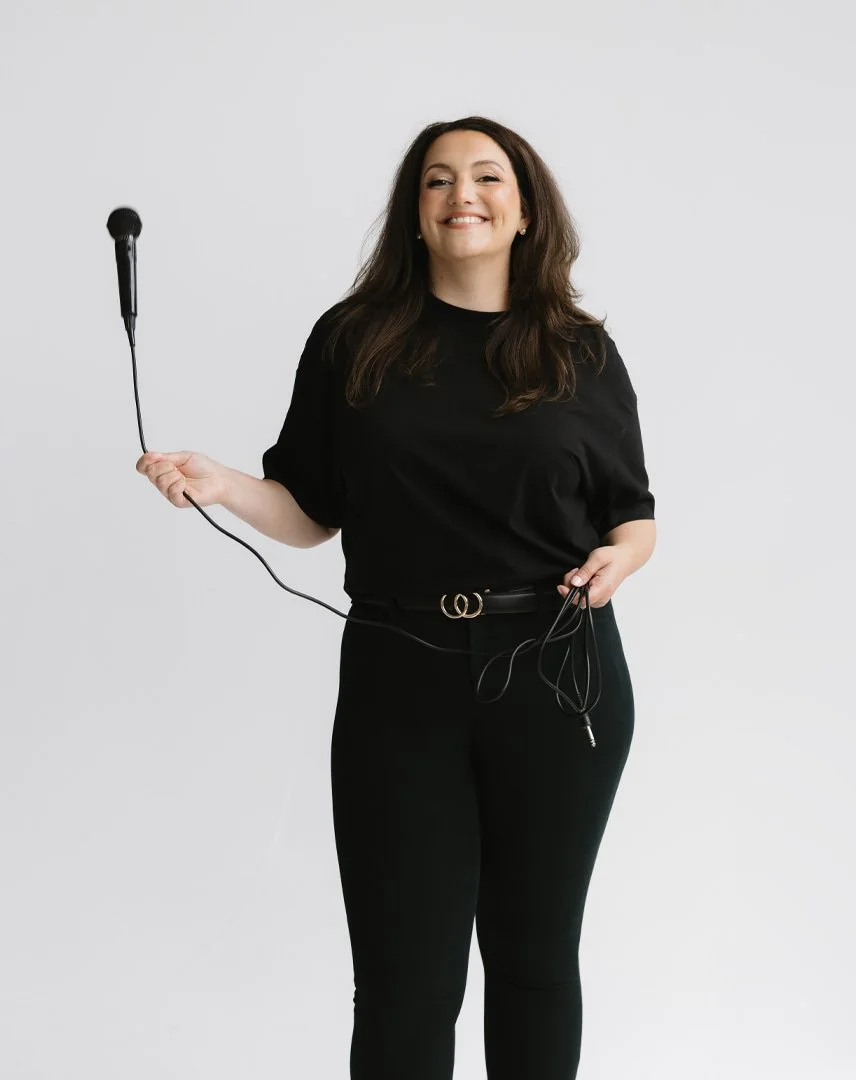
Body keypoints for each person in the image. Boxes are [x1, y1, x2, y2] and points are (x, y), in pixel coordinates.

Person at [132, 116, 658, 1079]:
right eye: (437, 180)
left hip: (558, 675)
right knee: (405, 982)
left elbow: (632, 515)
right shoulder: (354, 341)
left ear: (526, 210)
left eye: (488, 177)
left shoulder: (578, 350)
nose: (463, 193)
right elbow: (310, 513)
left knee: (535, 963)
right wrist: (221, 483)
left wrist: (626, 558)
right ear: (414, 214)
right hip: (397, 680)